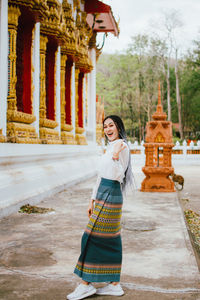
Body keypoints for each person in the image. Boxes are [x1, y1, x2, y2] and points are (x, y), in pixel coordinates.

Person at [67, 115, 134, 300]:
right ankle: (114, 284)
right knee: (109, 239)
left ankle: (85, 284)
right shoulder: (111, 147)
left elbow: (117, 175)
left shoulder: (122, 147)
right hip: (103, 193)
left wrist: (115, 155)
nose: (108, 129)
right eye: (105, 126)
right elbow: (100, 175)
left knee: (91, 237)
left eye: (111, 125)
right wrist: (91, 199)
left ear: (119, 127)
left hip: (112, 194)